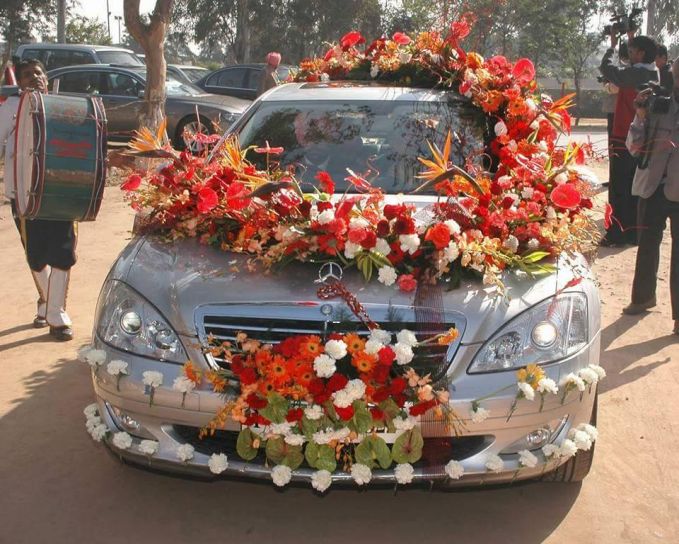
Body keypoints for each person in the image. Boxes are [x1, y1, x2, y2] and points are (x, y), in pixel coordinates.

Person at [0, 59, 76, 341]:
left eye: (39, 73)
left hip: (60, 192)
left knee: (63, 252)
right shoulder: (10, 108)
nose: (35, 77)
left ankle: (56, 314)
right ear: (19, 82)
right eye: (28, 75)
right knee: (35, 254)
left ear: (47, 77)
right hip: (23, 193)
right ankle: (46, 302)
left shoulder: (63, 107)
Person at [623, 60, 679, 334]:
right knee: (647, 245)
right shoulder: (657, 103)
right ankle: (643, 297)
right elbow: (633, 147)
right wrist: (641, 115)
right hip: (653, 187)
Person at [600, 33, 659, 246]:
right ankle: (633, 233)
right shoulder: (653, 72)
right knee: (634, 188)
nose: (630, 54)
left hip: (624, 135)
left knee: (618, 188)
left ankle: (616, 233)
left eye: (633, 51)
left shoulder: (636, 74)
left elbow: (609, 70)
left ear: (641, 53)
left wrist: (612, 48)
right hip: (640, 137)